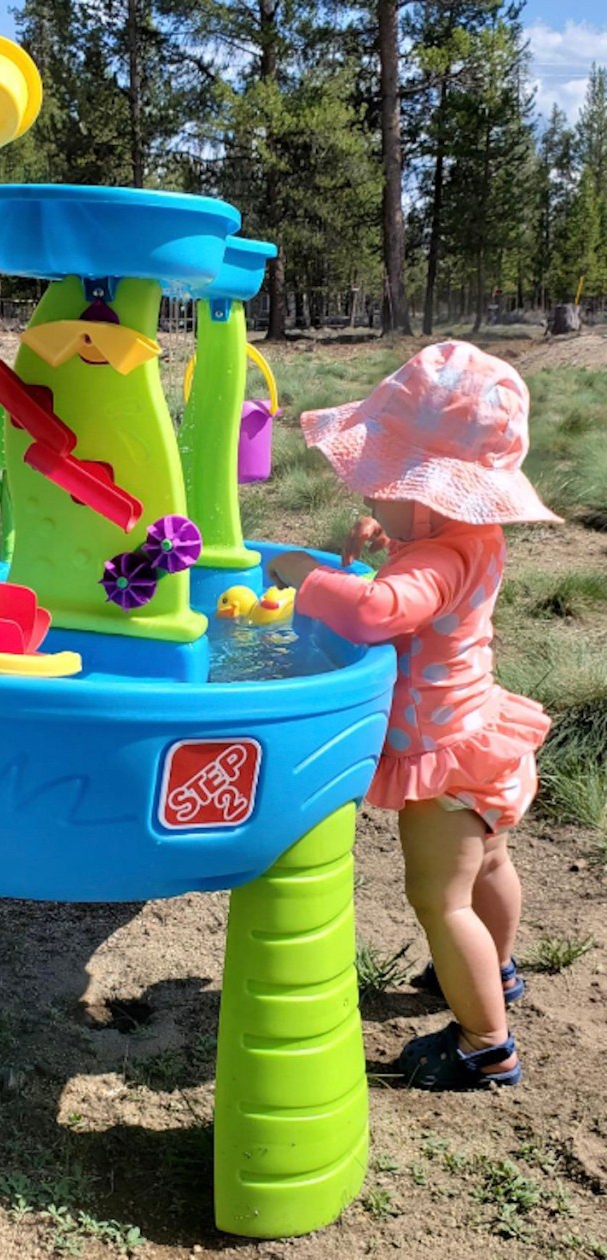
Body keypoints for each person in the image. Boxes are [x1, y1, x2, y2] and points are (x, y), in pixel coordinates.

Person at [267, 340, 561, 1091]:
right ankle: (496, 969)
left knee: (439, 898)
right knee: (491, 865)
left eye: (381, 484)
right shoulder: (464, 538)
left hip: (444, 761)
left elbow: (379, 612)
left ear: (431, 494)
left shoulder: (432, 558)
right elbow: (417, 587)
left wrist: (306, 577)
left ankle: (483, 1043)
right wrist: (380, 546)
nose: (369, 497)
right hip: (482, 738)